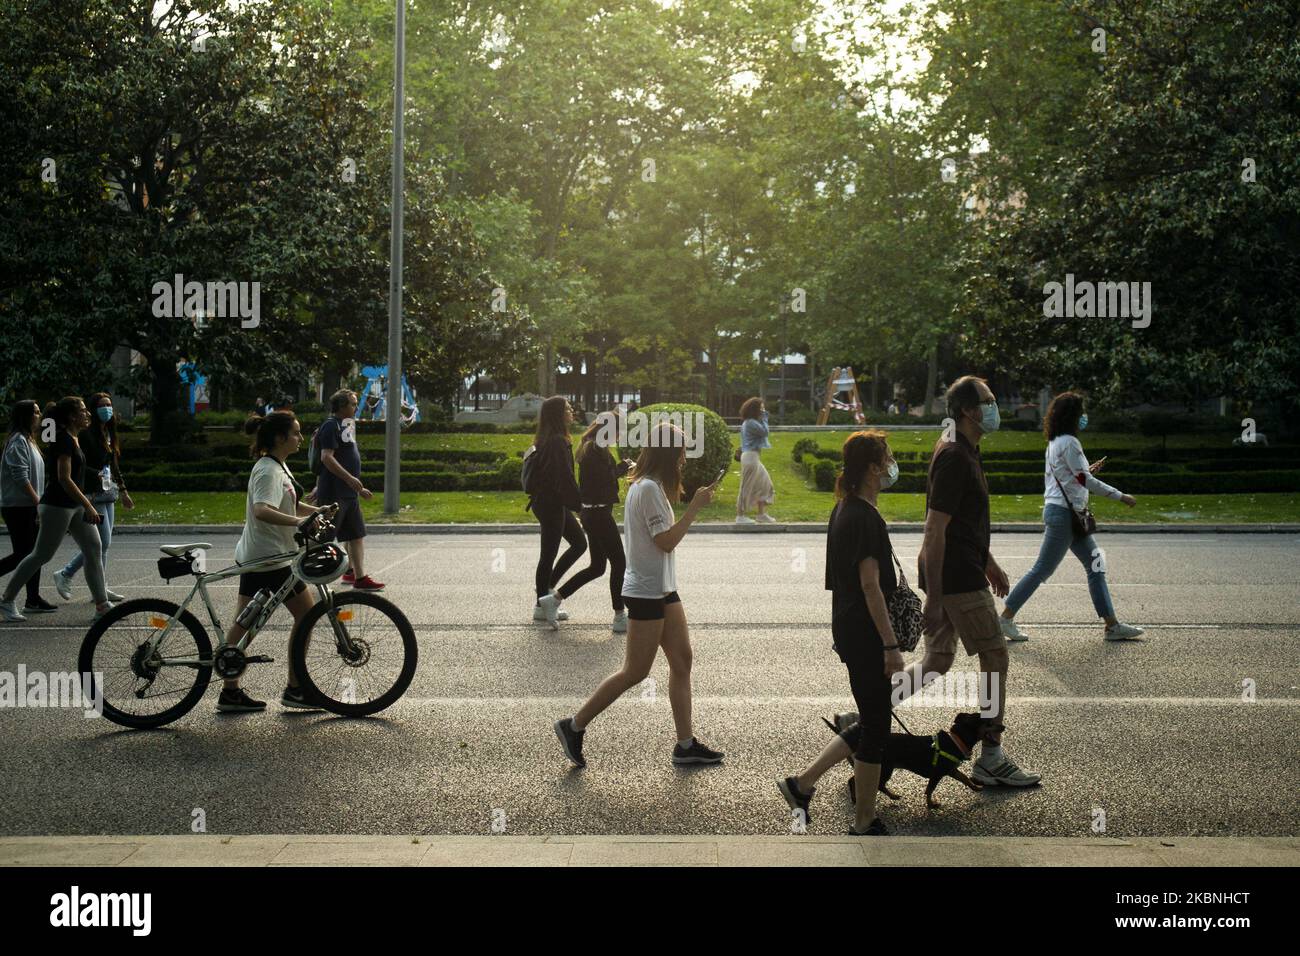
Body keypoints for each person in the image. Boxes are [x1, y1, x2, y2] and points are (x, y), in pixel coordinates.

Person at [554, 422, 724, 768]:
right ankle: (574, 725)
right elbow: (665, 542)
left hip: (663, 588)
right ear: (667, 454)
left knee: (682, 660)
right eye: (680, 452)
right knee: (635, 671)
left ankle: (685, 744)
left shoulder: (652, 487)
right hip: (647, 592)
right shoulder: (646, 490)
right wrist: (694, 508)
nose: (684, 460)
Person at [902, 375, 1040, 788]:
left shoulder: (965, 450)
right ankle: (992, 757)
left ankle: (868, 716)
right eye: (989, 400)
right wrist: (937, 598)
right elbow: (935, 529)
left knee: (937, 662)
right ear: (968, 411)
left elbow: (965, 523)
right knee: (995, 658)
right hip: (957, 578)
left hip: (962, 569)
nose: (996, 406)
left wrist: (989, 562)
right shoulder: (955, 457)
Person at [777, 430, 904, 835]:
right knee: (877, 726)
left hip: (850, 628)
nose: (890, 464)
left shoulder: (845, 508)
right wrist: (890, 644)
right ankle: (863, 821)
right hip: (866, 634)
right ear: (871, 468)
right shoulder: (862, 517)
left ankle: (802, 784)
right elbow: (870, 585)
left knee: (872, 718)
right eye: (886, 457)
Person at [999, 392, 1143, 642]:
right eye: (1081, 412)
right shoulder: (1070, 443)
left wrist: (1086, 473)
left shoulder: (1055, 443)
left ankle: (1112, 626)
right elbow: (1084, 480)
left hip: (1067, 514)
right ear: (1073, 416)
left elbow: (1075, 477)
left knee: (1095, 564)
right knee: (1042, 569)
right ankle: (1005, 618)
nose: (1084, 417)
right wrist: (1121, 496)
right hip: (1065, 516)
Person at [216, 410, 331, 713]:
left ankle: (230, 691)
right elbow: (262, 510)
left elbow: (289, 503)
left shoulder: (277, 466)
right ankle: (296, 688)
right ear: (280, 438)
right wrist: (298, 520)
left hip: (264, 555)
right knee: (306, 616)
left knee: (244, 623)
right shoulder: (268, 470)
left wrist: (313, 513)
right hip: (269, 558)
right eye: (295, 433)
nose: (300, 438)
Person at [0, 397, 113, 622]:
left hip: (73, 505)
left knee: (94, 547)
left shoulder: (73, 438)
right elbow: (63, 478)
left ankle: (102, 605)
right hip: (57, 506)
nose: (88, 414)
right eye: (83, 411)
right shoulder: (63, 440)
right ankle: (7, 600)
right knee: (41, 554)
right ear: (72, 416)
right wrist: (88, 504)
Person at [543, 412, 631, 632]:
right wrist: (622, 468)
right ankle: (620, 616)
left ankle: (554, 599)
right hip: (599, 514)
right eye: (618, 431)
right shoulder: (594, 450)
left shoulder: (592, 447)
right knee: (619, 563)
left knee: (597, 567)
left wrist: (619, 468)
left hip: (593, 514)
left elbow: (601, 479)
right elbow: (602, 482)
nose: (619, 436)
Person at [52, 392, 133, 602]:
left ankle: (101, 587)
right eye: (102, 405)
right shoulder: (86, 434)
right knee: (100, 543)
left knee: (103, 545)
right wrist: (96, 473)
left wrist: (123, 490)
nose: (107, 409)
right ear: (93, 409)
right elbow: (79, 465)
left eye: (109, 405)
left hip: (107, 492)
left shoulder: (108, 432)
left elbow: (113, 464)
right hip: (91, 492)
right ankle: (67, 573)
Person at [313, 389, 383, 591]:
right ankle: (317, 578)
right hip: (335, 492)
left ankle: (358, 577)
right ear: (342, 406)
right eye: (352, 403)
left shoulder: (346, 425)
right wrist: (350, 479)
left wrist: (356, 486)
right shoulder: (330, 425)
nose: (356, 406)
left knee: (356, 534)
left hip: (348, 492)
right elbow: (326, 457)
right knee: (324, 539)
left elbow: (343, 457)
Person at [529, 396, 587, 629]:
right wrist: (580, 507)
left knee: (579, 543)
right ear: (557, 414)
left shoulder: (553, 439)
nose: (571, 411)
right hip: (550, 504)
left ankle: (545, 593)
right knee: (548, 555)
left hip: (553, 503)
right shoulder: (555, 442)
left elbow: (563, 480)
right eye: (567, 408)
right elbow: (564, 480)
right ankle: (541, 606)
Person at [0, 400, 57, 614]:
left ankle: (32, 598)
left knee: (35, 552)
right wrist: (38, 502)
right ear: (25, 416)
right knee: (25, 554)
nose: (39, 414)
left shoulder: (30, 440)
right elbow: (20, 477)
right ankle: (23, 598)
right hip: (18, 506)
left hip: (29, 505)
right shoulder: (17, 441)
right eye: (35, 412)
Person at [736, 396, 775, 523]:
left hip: (754, 457)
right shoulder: (751, 423)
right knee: (746, 487)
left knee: (765, 484)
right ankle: (740, 516)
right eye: (761, 408)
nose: (763, 411)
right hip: (750, 457)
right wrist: (764, 418)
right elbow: (765, 432)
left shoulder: (750, 422)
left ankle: (761, 514)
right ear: (755, 409)